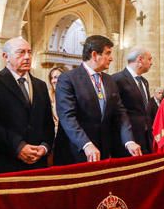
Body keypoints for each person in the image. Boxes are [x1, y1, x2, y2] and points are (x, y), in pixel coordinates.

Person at [54, 35, 141, 164]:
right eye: (108, 53)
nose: (111, 58)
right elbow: (67, 117)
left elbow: (120, 113)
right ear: (94, 55)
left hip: (103, 150)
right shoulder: (68, 79)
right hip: (75, 151)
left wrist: (129, 141)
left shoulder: (109, 80)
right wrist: (85, 144)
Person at [0, 37, 55, 174]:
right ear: (5, 56)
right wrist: (19, 146)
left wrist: (44, 147)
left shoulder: (40, 85)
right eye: (21, 52)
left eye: (29, 52)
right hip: (6, 161)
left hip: (38, 162)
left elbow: (48, 122)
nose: (27, 57)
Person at [112, 48, 155, 154]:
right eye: (149, 59)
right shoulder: (117, 79)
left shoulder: (144, 82)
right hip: (128, 138)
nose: (151, 63)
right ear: (140, 59)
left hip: (146, 136)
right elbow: (116, 111)